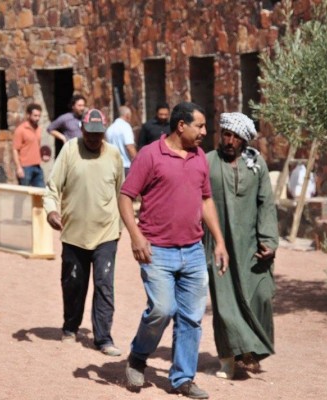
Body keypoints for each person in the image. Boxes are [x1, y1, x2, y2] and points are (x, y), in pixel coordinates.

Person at [119, 102, 229, 399]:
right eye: (200, 126)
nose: (205, 132)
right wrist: (136, 236)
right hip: (157, 250)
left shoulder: (199, 157)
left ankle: (183, 378)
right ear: (181, 126)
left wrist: (219, 241)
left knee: (191, 317)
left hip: (193, 250)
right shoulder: (150, 155)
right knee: (162, 309)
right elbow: (126, 197)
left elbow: (205, 200)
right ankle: (138, 356)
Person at [43, 108, 124, 357]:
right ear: (82, 130)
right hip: (74, 233)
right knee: (73, 283)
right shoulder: (70, 150)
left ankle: (103, 338)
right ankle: (70, 327)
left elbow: (122, 193)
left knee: (104, 285)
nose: (93, 138)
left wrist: (122, 227)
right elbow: (53, 187)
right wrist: (51, 211)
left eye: (98, 134)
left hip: (106, 233)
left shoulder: (113, 155)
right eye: (89, 133)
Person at [203, 112, 279, 380]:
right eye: (226, 134)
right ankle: (228, 359)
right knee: (225, 304)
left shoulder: (256, 164)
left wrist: (268, 240)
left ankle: (250, 351)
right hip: (217, 244)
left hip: (251, 245)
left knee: (260, 296)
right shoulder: (207, 162)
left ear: (244, 141)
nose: (229, 141)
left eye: (236, 137)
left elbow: (266, 203)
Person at [12, 103, 44, 188]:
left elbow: (36, 146)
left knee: (41, 193)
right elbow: (15, 149)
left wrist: (42, 156)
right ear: (28, 115)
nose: (37, 118)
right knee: (23, 193)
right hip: (25, 167)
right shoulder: (21, 130)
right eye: (35, 116)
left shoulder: (38, 128)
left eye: (39, 116)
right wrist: (18, 168)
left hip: (37, 166)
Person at [105, 105, 137, 176]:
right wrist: (138, 162)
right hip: (125, 165)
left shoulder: (110, 129)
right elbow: (130, 147)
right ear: (127, 115)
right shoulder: (126, 127)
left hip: (113, 165)